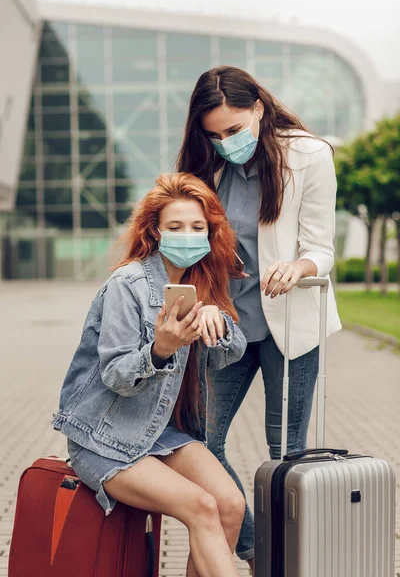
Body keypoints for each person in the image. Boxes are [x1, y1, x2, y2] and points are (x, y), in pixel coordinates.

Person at [176, 65, 342, 570]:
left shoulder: (308, 155)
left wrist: (299, 265)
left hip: (289, 323)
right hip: (224, 324)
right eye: (214, 134)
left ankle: (290, 559)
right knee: (200, 440)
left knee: (285, 454)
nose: (225, 142)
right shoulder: (208, 166)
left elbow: (322, 247)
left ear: (259, 109)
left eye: (233, 129)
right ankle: (255, 547)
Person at [52, 173, 248, 577]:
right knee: (202, 507)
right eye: (175, 227)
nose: (188, 235)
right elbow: (117, 375)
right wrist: (160, 349)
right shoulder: (128, 285)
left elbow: (232, 353)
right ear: (156, 231)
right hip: (104, 437)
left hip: (161, 433)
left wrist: (219, 321)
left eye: (198, 227)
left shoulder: (202, 283)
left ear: (211, 232)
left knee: (230, 505)